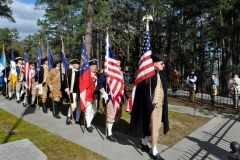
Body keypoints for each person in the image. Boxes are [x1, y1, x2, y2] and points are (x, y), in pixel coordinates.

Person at [130, 54, 169, 160]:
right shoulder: (148, 75)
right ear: (154, 63)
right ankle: (154, 151)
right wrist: (149, 103)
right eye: (162, 63)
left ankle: (143, 143)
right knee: (154, 129)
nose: (163, 65)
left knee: (157, 127)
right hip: (152, 106)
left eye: (164, 63)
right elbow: (143, 91)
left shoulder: (162, 74)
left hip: (160, 105)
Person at [97, 55, 123, 142]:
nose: (119, 63)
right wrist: (104, 93)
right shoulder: (106, 71)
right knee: (111, 115)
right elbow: (100, 83)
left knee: (118, 115)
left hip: (119, 97)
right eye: (117, 61)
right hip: (110, 96)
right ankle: (109, 134)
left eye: (120, 62)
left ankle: (110, 129)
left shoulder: (120, 72)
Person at [84, 59, 99, 133]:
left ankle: (89, 122)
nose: (95, 68)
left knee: (95, 110)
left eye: (96, 66)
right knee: (88, 110)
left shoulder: (97, 74)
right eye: (93, 66)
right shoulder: (86, 74)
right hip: (88, 94)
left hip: (96, 94)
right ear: (89, 67)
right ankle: (88, 125)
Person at [65, 59, 81, 125]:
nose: (78, 65)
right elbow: (65, 82)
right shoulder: (68, 71)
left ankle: (77, 119)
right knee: (73, 106)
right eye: (76, 64)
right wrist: (67, 90)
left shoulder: (81, 71)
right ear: (73, 65)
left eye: (78, 64)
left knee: (79, 106)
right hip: (72, 91)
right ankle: (69, 116)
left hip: (80, 92)